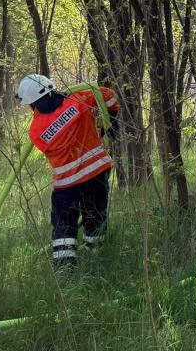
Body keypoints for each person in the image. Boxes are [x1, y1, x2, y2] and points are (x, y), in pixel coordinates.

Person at [15, 74, 119, 269]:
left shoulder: (36, 130)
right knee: (95, 216)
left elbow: (51, 126)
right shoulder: (81, 100)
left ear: (33, 104)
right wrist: (111, 122)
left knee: (64, 224)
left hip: (66, 185)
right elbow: (110, 96)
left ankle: (64, 267)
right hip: (96, 175)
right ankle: (96, 259)